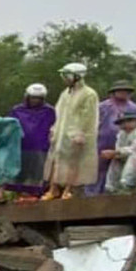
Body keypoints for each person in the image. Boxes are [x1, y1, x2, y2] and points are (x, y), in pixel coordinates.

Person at [42, 62, 99, 200]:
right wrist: (54, 128)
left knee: (74, 161)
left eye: (66, 75)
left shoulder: (89, 94)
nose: (64, 78)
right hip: (61, 132)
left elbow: (89, 116)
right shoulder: (65, 94)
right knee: (55, 159)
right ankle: (53, 188)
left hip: (75, 133)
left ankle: (69, 189)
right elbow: (58, 113)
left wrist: (82, 133)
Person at [6, 84, 56, 198]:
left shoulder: (49, 111)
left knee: (38, 176)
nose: (35, 101)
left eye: (38, 98)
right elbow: (9, 128)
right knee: (19, 177)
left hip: (40, 148)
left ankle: (36, 196)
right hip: (20, 148)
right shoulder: (17, 110)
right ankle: (18, 197)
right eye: (33, 97)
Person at [93, 80, 136, 193]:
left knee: (118, 166)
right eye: (120, 91)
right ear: (114, 92)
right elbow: (93, 122)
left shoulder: (134, 108)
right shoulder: (103, 106)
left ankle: (115, 191)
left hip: (124, 141)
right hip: (102, 141)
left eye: (125, 91)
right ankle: (94, 193)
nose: (123, 93)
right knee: (98, 168)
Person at [104, 104, 136, 192]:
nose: (125, 124)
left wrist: (117, 152)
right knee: (116, 159)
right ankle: (111, 186)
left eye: (129, 121)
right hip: (132, 157)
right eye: (121, 122)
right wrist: (115, 154)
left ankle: (127, 184)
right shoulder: (122, 133)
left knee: (135, 156)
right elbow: (119, 149)